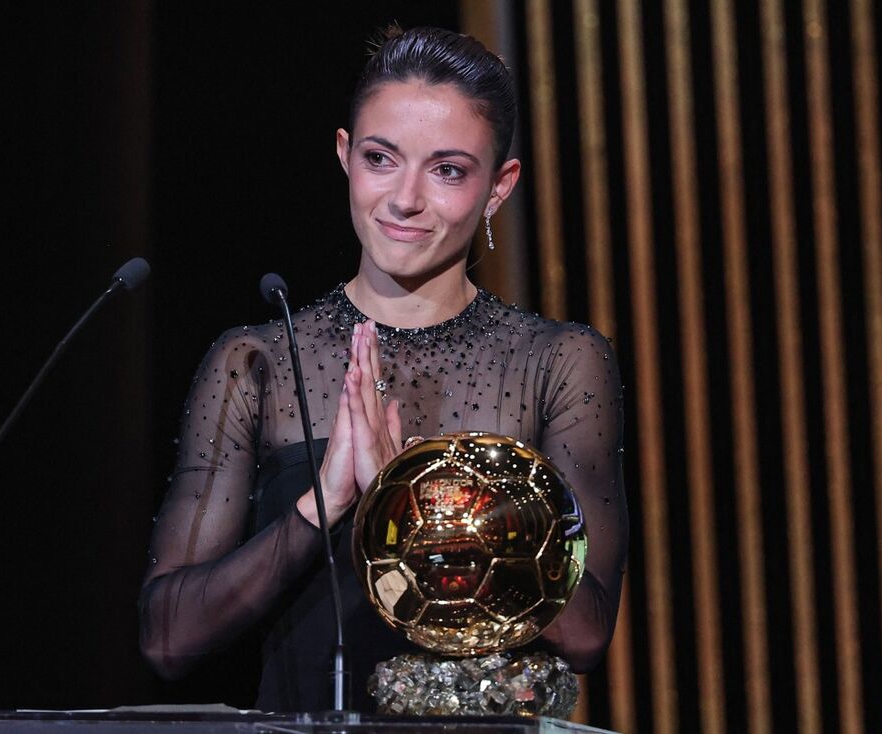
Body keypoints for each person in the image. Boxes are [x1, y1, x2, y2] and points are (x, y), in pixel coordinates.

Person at [139, 25, 628, 713]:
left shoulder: (556, 363)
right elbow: (167, 637)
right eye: (381, 158)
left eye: (448, 170)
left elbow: (586, 635)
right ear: (345, 155)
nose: (404, 199)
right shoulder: (257, 361)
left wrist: (415, 511)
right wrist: (324, 506)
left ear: (498, 186)